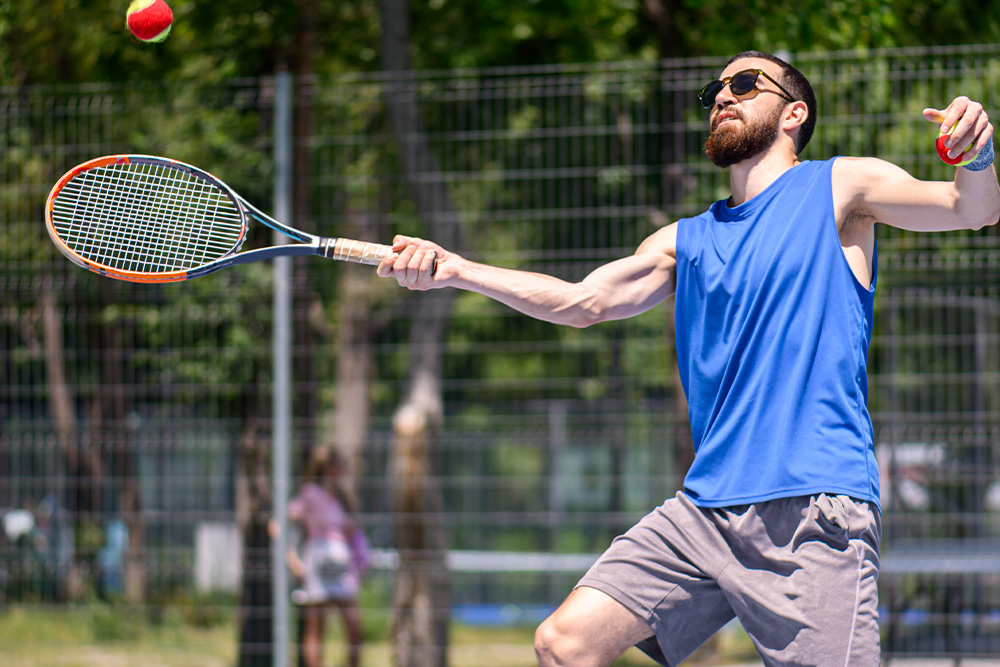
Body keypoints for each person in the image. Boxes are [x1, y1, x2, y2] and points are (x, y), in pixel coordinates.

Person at [377, 50, 1000, 666]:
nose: (723, 97)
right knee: (564, 643)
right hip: (705, 511)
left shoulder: (838, 188)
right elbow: (582, 301)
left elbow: (972, 209)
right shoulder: (685, 240)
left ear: (794, 113)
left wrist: (976, 154)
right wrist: (457, 270)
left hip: (812, 510)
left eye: (746, 84)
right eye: (715, 91)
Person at [285, 448, 369, 667]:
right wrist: (291, 556)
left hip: (341, 561)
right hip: (319, 558)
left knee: (353, 622)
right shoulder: (310, 493)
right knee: (316, 623)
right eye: (338, 465)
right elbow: (284, 521)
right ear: (329, 467)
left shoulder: (341, 495)